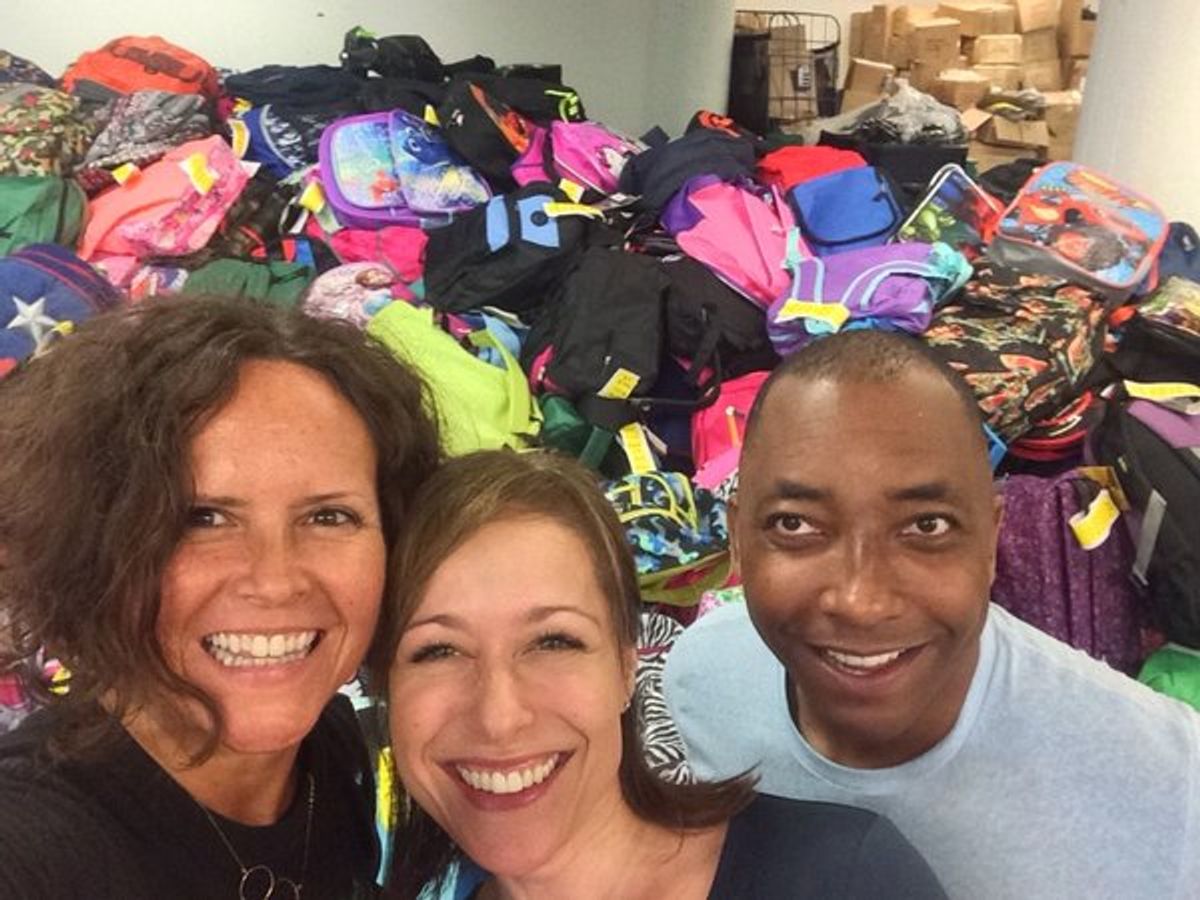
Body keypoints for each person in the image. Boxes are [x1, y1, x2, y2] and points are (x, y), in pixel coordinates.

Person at [663, 329, 1200, 899]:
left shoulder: (1174, 791)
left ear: (991, 540)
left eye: (927, 526)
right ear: (738, 538)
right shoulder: (702, 677)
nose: (862, 601)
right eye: (795, 524)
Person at [0, 295, 441, 899]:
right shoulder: (34, 849)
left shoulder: (331, 755)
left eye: (329, 516)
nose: (275, 580)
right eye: (203, 518)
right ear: (91, 548)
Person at [367, 449, 946, 900]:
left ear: (626, 665)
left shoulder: (843, 878)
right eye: (438, 651)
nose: (499, 716)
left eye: (553, 641)